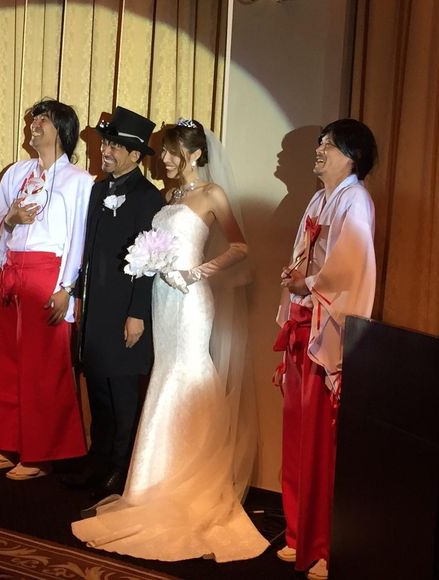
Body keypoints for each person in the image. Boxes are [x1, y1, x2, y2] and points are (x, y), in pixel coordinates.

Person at [71, 118, 269, 562]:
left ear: (195, 153)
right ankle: (150, 482)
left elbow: (240, 247)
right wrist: (148, 263)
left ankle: (191, 482)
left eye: (172, 150)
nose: (164, 158)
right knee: (164, 376)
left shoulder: (213, 194)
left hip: (190, 298)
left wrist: (196, 272)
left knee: (188, 375)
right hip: (162, 298)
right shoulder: (168, 196)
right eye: (163, 151)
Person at [273, 118, 378, 579]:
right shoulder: (319, 199)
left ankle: (326, 545)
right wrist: (294, 280)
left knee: (322, 442)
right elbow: (304, 256)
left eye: (329, 145)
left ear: (352, 156)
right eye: (320, 143)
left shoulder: (355, 199)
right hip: (304, 321)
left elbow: (351, 266)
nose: (319, 150)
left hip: (326, 327)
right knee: (298, 435)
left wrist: (309, 282)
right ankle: (299, 533)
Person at [0, 99, 93, 480]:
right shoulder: (17, 172)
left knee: (44, 366)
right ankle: (4, 444)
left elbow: (79, 239)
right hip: (14, 271)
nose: (34, 124)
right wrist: (11, 217)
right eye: (34, 119)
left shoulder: (79, 181)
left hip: (48, 274)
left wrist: (67, 287)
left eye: (43, 119)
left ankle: (41, 453)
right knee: (7, 359)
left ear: (62, 130)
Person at [65, 106, 163, 499]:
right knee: (99, 393)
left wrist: (137, 313)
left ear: (135, 155)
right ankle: (98, 459)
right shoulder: (98, 189)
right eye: (105, 143)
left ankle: (121, 470)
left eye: (114, 146)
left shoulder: (148, 198)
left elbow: (151, 262)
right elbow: (85, 249)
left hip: (125, 311)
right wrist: (78, 295)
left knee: (122, 397)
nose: (104, 150)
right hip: (96, 308)